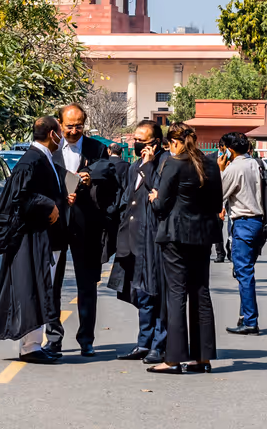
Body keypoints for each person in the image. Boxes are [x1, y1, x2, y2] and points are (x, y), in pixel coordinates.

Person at [0, 116, 65, 364]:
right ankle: (31, 346)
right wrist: (47, 205)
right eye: (60, 132)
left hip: (44, 237)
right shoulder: (31, 160)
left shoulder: (44, 158)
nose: (62, 137)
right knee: (33, 289)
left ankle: (33, 344)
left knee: (39, 288)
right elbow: (18, 199)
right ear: (52, 134)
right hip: (32, 238)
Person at [147, 122, 222, 375]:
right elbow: (217, 202)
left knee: (176, 294)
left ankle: (173, 358)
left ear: (174, 142)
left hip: (176, 235)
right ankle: (202, 357)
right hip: (202, 235)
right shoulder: (210, 164)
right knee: (201, 292)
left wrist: (154, 197)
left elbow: (161, 206)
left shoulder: (174, 163)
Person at [46, 103, 120, 358]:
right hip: (54, 224)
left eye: (79, 126)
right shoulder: (50, 148)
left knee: (87, 284)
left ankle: (86, 339)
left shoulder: (95, 148)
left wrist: (90, 175)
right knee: (51, 283)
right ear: (59, 123)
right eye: (69, 126)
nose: (75, 131)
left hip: (85, 224)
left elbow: (108, 172)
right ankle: (53, 338)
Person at [107, 120, 169, 364]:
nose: (137, 144)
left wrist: (151, 164)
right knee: (140, 294)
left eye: (142, 141)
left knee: (155, 293)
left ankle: (158, 344)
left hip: (152, 239)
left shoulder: (163, 164)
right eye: (135, 140)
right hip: (131, 239)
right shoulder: (134, 167)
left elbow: (159, 195)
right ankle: (143, 343)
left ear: (156, 143)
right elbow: (127, 199)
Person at [218, 131, 265, 335]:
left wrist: (221, 170)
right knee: (246, 270)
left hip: (243, 222)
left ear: (229, 150)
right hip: (259, 223)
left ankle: (250, 321)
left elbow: (217, 193)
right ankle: (244, 316)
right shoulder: (257, 164)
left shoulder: (235, 168)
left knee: (243, 273)